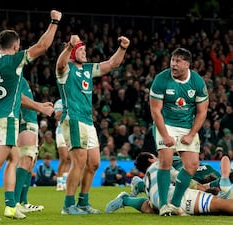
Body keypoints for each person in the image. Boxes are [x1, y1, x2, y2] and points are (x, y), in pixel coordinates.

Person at [0, 7, 62, 221]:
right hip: (5, 117)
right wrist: (54, 22)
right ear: (16, 45)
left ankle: (11, 206)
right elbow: (43, 46)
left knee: (14, 157)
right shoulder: (14, 61)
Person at [56, 34, 130, 215]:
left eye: (84, 49)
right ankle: (67, 205)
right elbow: (59, 65)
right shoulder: (65, 70)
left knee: (94, 163)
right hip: (73, 118)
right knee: (79, 162)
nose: (84, 51)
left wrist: (123, 48)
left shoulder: (88, 69)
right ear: (72, 52)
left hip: (88, 121)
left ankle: (83, 202)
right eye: (80, 49)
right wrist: (68, 47)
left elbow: (112, 64)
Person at [149, 47, 209, 216]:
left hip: (187, 127)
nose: (173, 64)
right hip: (165, 124)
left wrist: (191, 134)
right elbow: (155, 111)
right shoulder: (161, 79)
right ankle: (163, 206)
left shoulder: (197, 82)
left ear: (187, 64)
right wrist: (166, 135)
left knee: (192, 166)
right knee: (166, 161)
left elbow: (202, 111)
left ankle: (175, 204)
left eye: (178, 61)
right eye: (172, 60)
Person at [105, 154, 233, 216]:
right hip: (182, 198)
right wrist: (203, 189)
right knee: (222, 205)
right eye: (155, 156)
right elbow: (182, 179)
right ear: (151, 159)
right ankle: (128, 196)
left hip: (161, 203)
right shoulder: (161, 164)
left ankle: (126, 198)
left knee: (151, 206)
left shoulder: (149, 178)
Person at [14, 77, 54, 214]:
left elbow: (26, 101)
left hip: (30, 123)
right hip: (24, 123)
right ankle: (15, 203)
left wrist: (40, 105)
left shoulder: (20, 78)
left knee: (30, 163)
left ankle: (23, 201)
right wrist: (41, 108)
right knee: (25, 160)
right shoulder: (14, 76)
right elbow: (18, 99)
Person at [54, 98, 70, 191]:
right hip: (61, 131)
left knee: (69, 159)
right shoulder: (59, 102)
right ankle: (59, 182)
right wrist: (68, 109)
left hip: (71, 132)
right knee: (64, 157)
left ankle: (65, 182)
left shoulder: (72, 100)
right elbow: (57, 116)